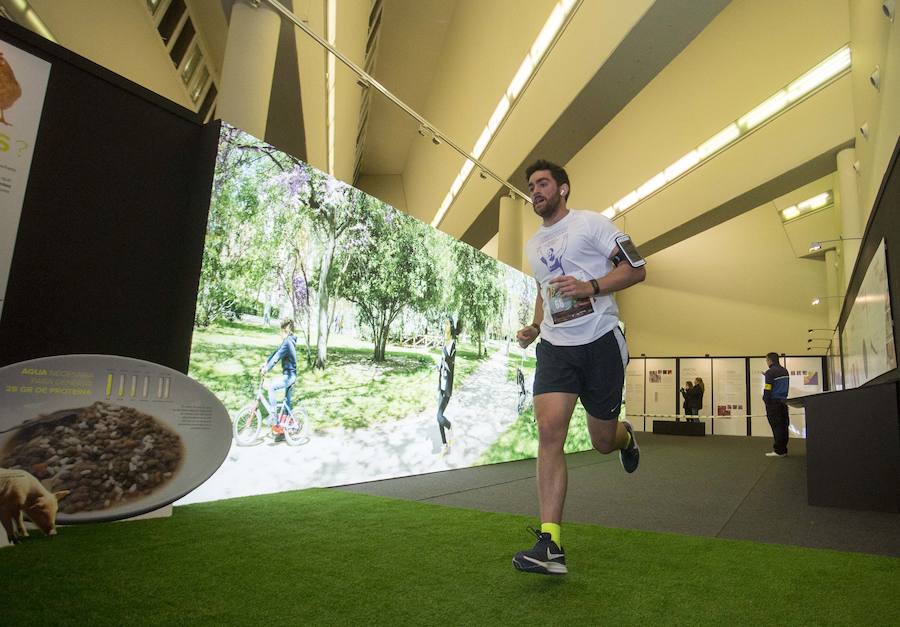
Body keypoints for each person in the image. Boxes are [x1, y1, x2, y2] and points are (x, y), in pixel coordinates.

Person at [512, 159, 646, 576]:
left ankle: (625, 438)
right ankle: (550, 543)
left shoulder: (592, 225)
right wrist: (536, 326)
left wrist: (592, 286)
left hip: (600, 341)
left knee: (602, 440)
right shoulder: (533, 245)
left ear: (563, 188)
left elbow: (636, 268)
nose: (535, 191)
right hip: (556, 348)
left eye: (543, 183)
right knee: (549, 432)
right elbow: (543, 290)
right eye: (531, 186)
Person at [260, 318, 298, 439]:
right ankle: (282, 432)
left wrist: (267, 369)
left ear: (284, 330)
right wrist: (266, 362)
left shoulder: (288, 342)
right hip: (290, 375)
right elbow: (276, 352)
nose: (279, 333)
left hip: (289, 377)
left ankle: (274, 416)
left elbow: (277, 357)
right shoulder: (288, 341)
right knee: (287, 404)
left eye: (280, 330)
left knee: (271, 386)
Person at [435, 316, 460, 454]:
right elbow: (443, 363)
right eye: (443, 324)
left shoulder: (452, 345)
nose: (444, 326)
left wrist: (444, 359)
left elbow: (450, 364)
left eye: (447, 324)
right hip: (441, 385)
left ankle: (450, 427)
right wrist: (438, 366)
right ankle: (444, 445)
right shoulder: (445, 343)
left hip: (447, 388)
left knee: (439, 416)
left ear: (451, 327)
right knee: (439, 417)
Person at [762, 352, 790, 457]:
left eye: (767, 360)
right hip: (783, 402)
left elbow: (768, 387)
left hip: (773, 403)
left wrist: (766, 399)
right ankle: (784, 449)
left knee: (776, 426)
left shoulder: (770, 372)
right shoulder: (784, 371)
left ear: (770, 360)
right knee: (784, 426)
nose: (767, 362)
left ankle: (779, 451)